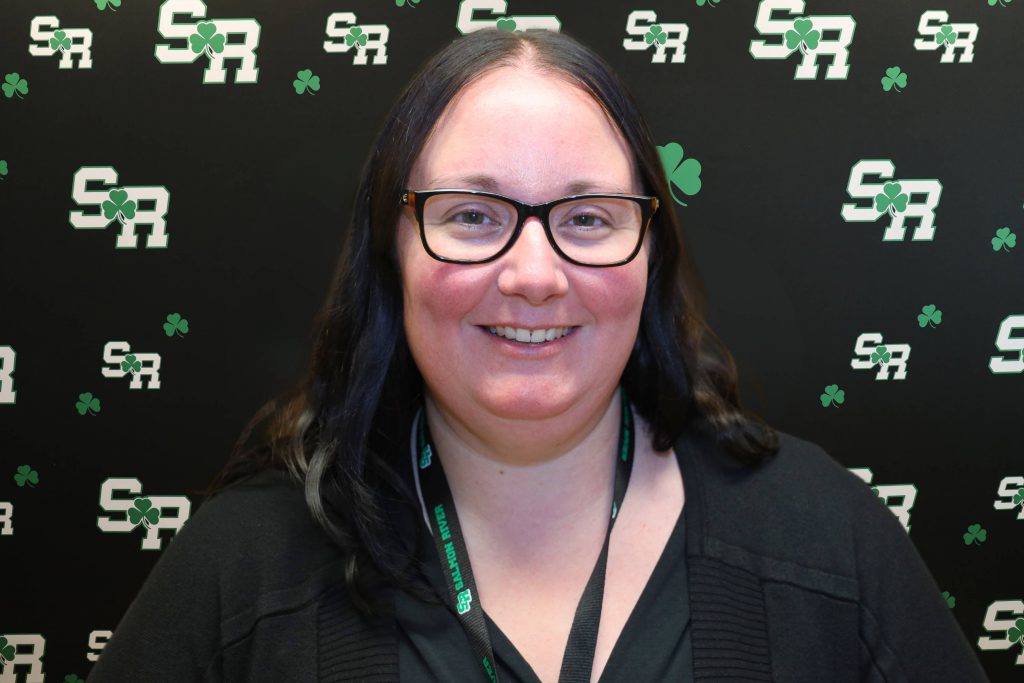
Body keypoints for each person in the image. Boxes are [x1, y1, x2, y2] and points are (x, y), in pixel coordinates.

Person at [88, 28, 988, 682]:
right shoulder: (242, 570)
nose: (532, 273)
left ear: (651, 255)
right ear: (389, 253)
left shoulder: (826, 540)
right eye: (473, 216)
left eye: (587, 218)